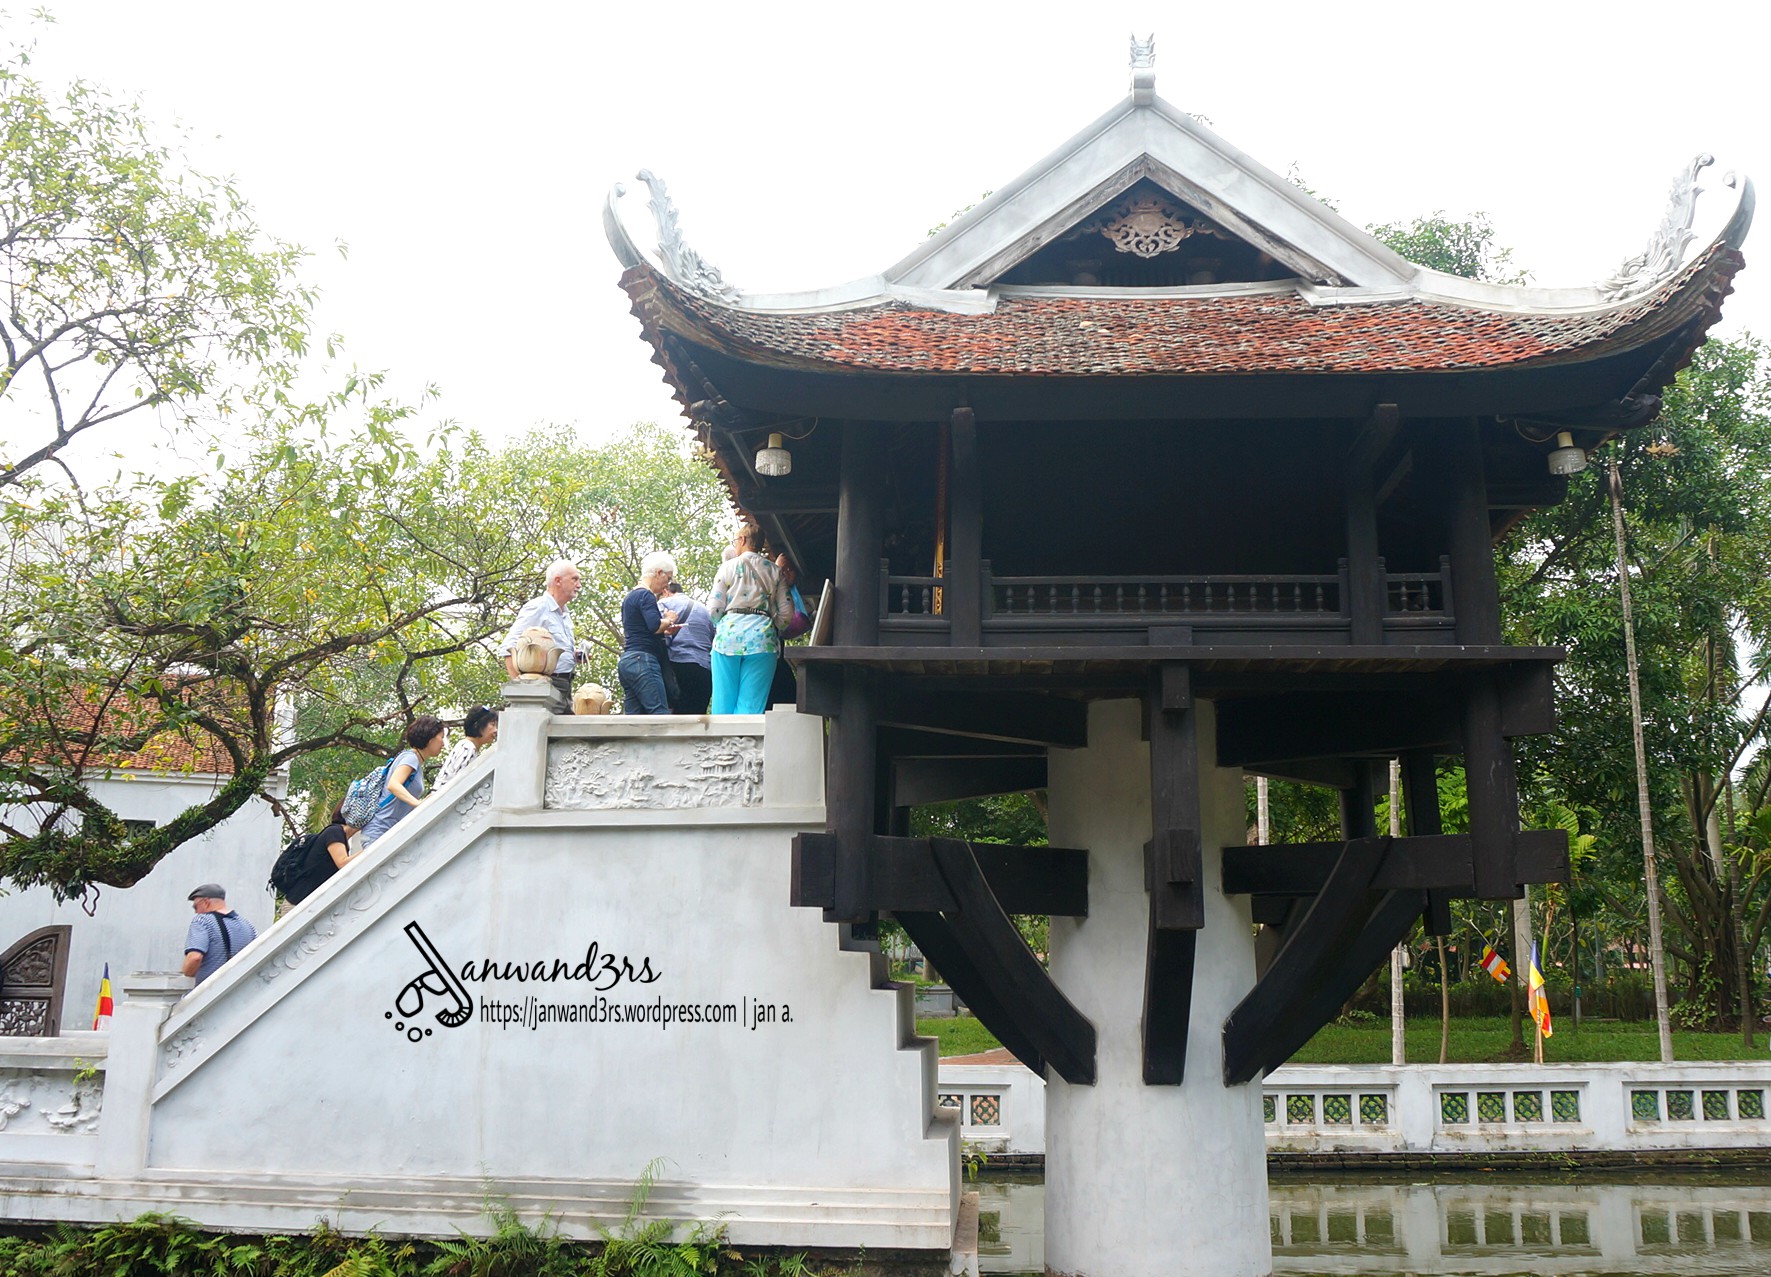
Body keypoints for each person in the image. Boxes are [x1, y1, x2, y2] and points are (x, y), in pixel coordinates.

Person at [708, 522, 793, 714]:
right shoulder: (774, 571)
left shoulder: (727, 567)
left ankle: (722, 742)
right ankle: (743, 743)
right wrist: (772, 624)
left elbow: (714, 609)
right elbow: (786, 614)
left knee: (723, 705)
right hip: (763, 641)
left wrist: (724, 623)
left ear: (743, 540)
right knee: (750, 707)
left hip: (727, 640)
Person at [499, 560, 583, 714]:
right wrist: (524, 691)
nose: (579, 585)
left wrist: (574, 656)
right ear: (558, 581)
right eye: (574, 579)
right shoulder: (539, 607)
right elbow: (508, 648)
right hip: (546, 687)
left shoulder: (564, 613)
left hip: (565, 685)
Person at [359, 715, 447, 849]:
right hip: (380, 830)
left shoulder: (414, 761)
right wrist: (418, 803)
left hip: (386, 831)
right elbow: (393, 784)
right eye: (441, 737)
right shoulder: (410, 758)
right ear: (430, 738)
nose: (443, 743)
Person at [618, 551, 681, 714]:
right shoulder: (646, 595)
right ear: (659, 573)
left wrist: (664, 631)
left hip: (627, 661)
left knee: (634, 718)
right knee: (659, 713)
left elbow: (642, 628)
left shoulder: (630, 597)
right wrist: (669, 619)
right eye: (668, 578)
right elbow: (654, 626)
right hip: (643, 660)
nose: (667, 585)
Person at [283, 805, 360, 906]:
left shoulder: (340, 836)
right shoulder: (335, 832)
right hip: (297, 904)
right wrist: (369, 849)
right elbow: (343, 863)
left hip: (307, 904)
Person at [182, 885, 258, 986]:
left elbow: (195, 957)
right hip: (238, 989)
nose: (196, 911)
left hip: (208, 991)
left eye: (195, 907)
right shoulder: (247, 925)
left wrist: (184, 979)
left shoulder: (202, 921)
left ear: (205, 902)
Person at [660, 583, 713, 714]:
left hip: (677, 666)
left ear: (665, 591)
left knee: (674, 721)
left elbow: (657, 633)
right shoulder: (705, 610)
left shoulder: (664, 604)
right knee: (697, 720)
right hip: (704, 669)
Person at [434, 706, 499, 792]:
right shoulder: (467, 748)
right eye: (492, 724)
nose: (496, 730)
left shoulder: (468, 746)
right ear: (478, 725)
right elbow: (459, 783)